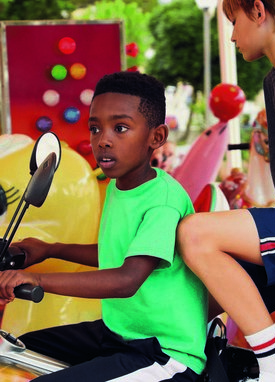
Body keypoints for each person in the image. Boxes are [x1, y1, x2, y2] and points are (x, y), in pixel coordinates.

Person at [0, 71, 208, 381]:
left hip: (163, 351)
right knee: (16, 352)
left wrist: (36, 278)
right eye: (95, 129)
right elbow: (117, 253)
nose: (103, 140)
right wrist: (49, 249)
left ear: (157, 137)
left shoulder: (162, 200)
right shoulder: (120, 185)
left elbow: (126, 279)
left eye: (120, 128)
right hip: (120, 332)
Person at [177, 1, 275, 382]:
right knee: (200, 298)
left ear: (259, 11)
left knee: (195, 232)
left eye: (234, 21)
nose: (231, 35)